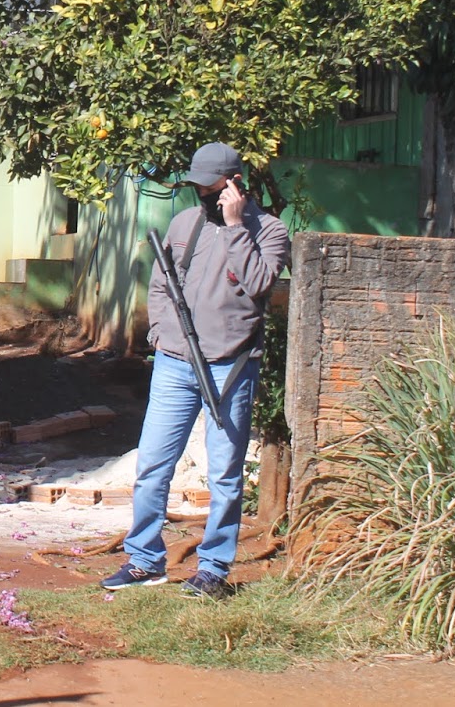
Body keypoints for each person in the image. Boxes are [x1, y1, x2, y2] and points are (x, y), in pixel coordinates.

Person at [101, 142, 291, 600]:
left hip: (231, 366)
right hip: (174, 362)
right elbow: (162, 282)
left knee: (224, 474)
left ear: (234, 184)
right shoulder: (184, 222)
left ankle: (213, 570)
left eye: (210, 187)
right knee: (152, 466)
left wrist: (234, 227)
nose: (201, 194)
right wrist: (162, 331)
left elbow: (259, 284)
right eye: (197, 186)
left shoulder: (269, 230)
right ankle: (144, 560)